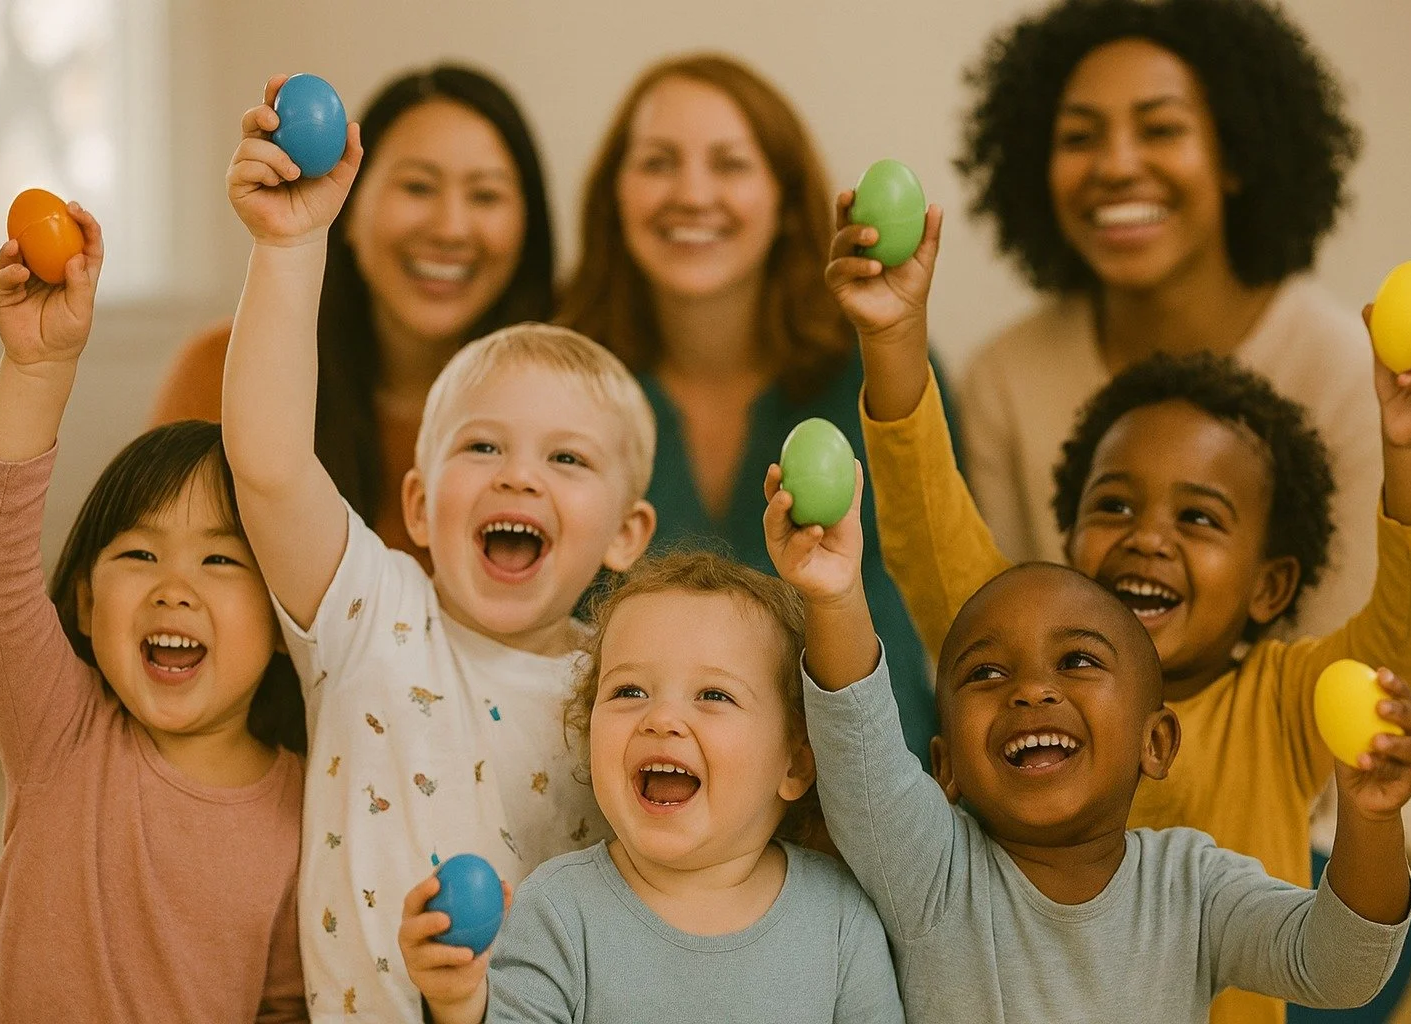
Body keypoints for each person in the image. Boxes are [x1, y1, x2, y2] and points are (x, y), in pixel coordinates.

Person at [825, 192, 1411, 1024]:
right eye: (1114, 507)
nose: (1147, 539)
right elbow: (921, 517)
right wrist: (891, 336)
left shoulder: (1285, 701)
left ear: (1269, 587)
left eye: (1198, 518)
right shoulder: (1018, 646)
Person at [221, 76, 657, 1023]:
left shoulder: (624, 692)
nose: (519, 478)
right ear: (417, 504)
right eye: (483, 446)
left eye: (567, 458)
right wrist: (291, 246)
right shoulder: (369, 611)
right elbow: (265, 463)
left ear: (627, 535)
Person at [766, 474, 1411, 1020]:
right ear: (945, 768)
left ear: (1156, 742)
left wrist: (1371, 818)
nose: (1031, 691)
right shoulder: (932, 869)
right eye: (986, 674)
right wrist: (834, 596)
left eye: (1078, 660)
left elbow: (1339, 969)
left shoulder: (1193, 888)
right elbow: (860, 754)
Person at [557, 51, 949, 766]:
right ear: (614, 194)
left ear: (782, 197)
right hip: (643, 811)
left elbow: (941, 573)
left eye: (730, 163)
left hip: (864, 799)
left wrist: (893, 336)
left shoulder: (866, 372)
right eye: (657, 162)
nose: (692, 192)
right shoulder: (566, 385)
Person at [0, 207, 306, 1020]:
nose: (174, 587)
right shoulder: (62, 730)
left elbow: (290, 1005)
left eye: (221, 560)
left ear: (281, 617)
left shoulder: (306, 809)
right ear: (84, 601)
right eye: (139, 554)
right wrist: (39, 364)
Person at [956, 0, 1374, 639]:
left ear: (1235, 157)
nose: (1117, 165)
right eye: (1079, 137)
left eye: (1160, 129)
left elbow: (1351, 653)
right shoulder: (1004, 378)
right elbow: (1000, 637)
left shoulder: (1342, 367)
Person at [397, 551, 904, 1024]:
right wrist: (459, 1002)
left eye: (713, 694)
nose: (661, 718)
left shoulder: (840, 921)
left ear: (795, 764)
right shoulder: (556, 911)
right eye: (629, 691)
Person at [154, 63, 555, 567]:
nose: (451, 228)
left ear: (527, 226)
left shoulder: (570, 401)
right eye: (418, 187)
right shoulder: (220, 375)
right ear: (350, 206)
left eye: (486, 195)